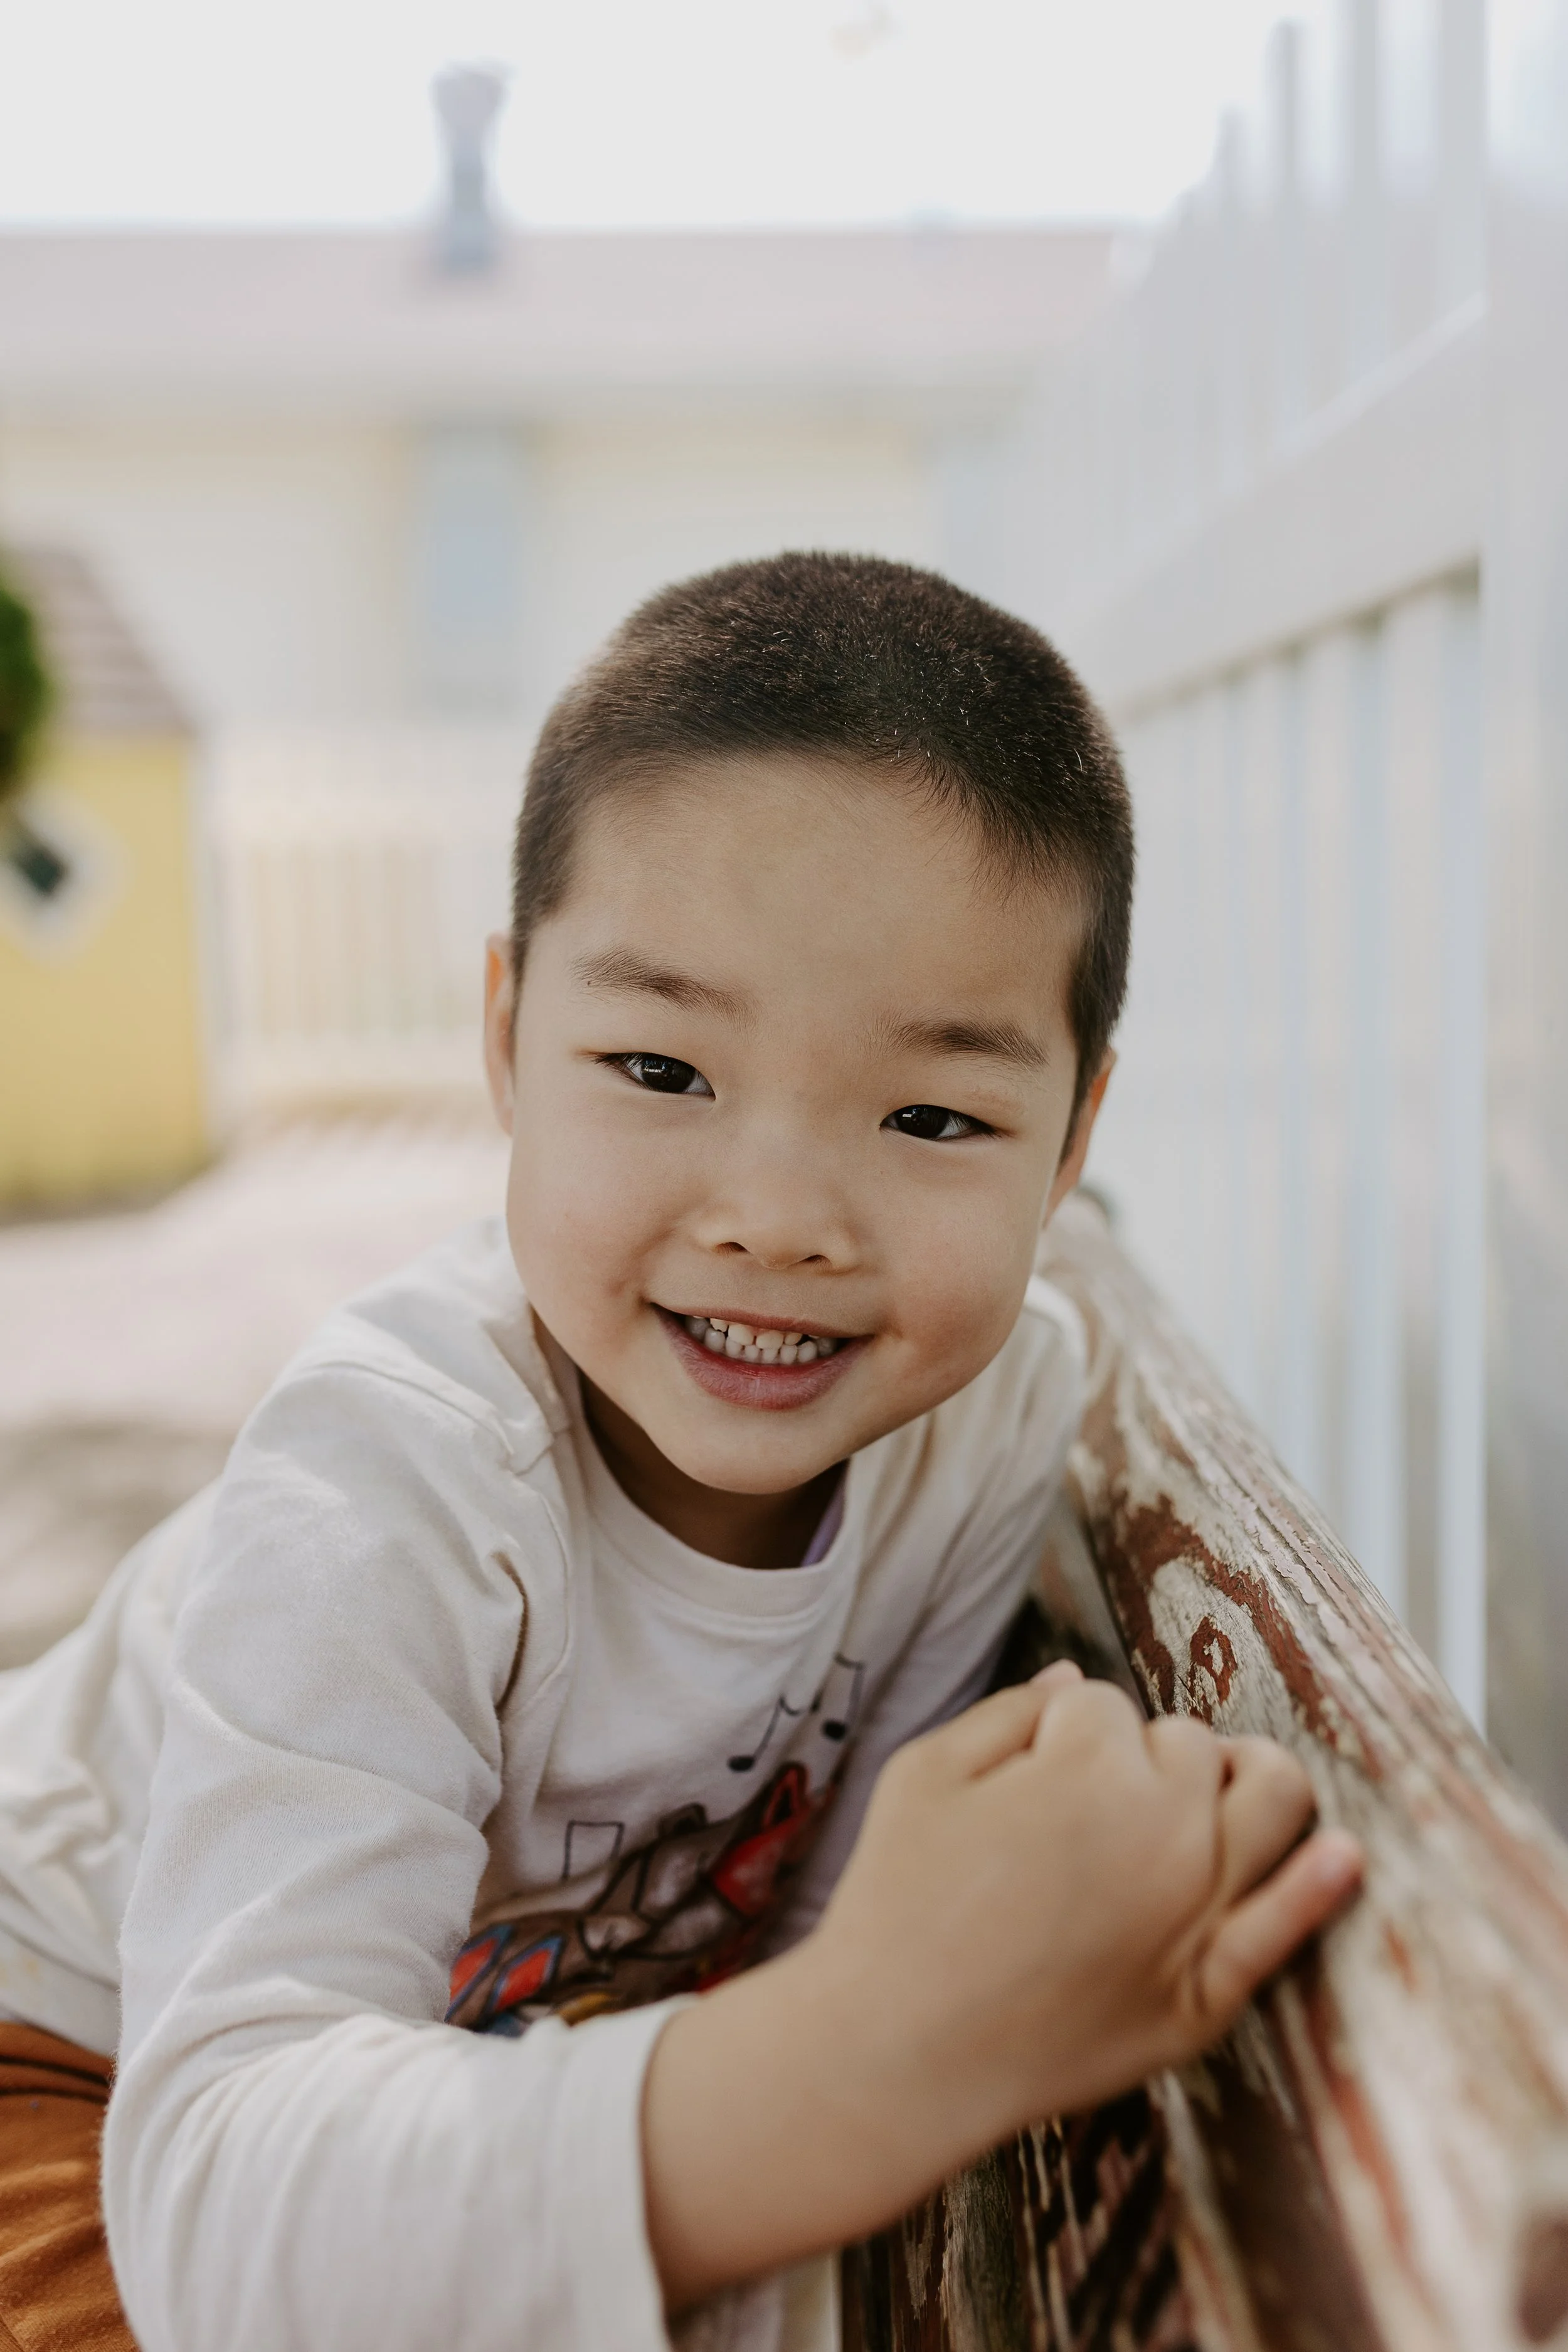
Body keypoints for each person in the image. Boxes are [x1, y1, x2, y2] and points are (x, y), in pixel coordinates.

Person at [0, 554, 1361, 2352]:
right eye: (660, 1070)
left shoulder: (984, 1421)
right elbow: (232, 2202)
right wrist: (892, 2041)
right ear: (505, 1036)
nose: (778, 1218)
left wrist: (873, 2025)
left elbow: (801, 1947)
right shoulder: (394, 1473)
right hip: (88, 2069)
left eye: (933, 1113)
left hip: (450, 2083)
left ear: (1069, 1133)